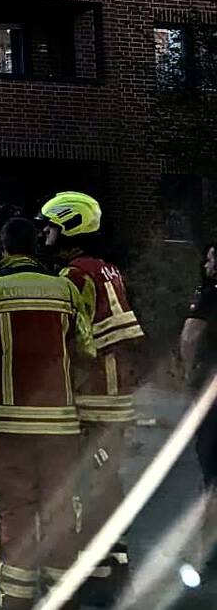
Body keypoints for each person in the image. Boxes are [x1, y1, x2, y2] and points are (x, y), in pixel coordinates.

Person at [0, 216, 95, 610]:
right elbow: (86, 351)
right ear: (36, 248)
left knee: (16, 515)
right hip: (59, 426)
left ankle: (15, 601)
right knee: (59, 512)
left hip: (7, 427)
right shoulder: (65, 290)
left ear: (3, 247)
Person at [42, 192, 145, 604]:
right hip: (117, 394)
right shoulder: (106, 270)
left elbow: (71, 341)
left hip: (93, 396)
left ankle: (96, 572)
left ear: (69, 226)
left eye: (50, 226)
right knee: (108, 480)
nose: (45, 234)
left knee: (86, 485)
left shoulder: (74, 277)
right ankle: (114, 563)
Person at [179, 242, 217, 604]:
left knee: (213, 478)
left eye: (210, 257)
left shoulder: (211, 295)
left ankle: (211, 557)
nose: (206, 263)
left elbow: (190, 337)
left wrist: (190, 377)